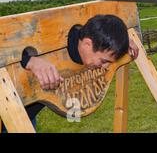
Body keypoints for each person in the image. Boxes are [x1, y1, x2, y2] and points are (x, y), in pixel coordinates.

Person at [1, 14, 139, 132]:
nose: (105, 67)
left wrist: (122, 42)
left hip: (24, 116)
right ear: (87, 44)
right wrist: (28, 61)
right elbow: (8, 51)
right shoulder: (44, 35)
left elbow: (105, 25)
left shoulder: (90, 37)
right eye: (103, 61)